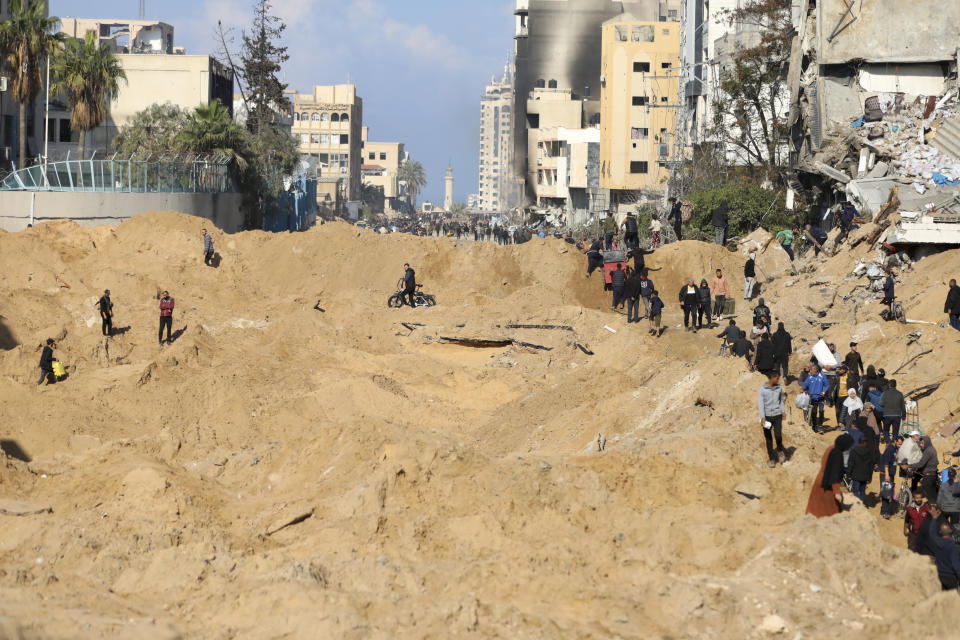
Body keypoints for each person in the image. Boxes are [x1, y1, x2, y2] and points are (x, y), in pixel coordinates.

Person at [806, 434, 854, 517]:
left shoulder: (831, 448)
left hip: (819, 480)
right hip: (827, 486)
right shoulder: (837, 454)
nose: (849, 448)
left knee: (814, 508)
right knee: (829, 512)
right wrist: (837, 492)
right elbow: (834, 474)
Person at [758, 371, 787, 468]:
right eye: (777, 378)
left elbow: (781, 401)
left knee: (778, 435)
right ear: (772, 378)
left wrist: (783, 411)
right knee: (768, 438)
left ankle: (780, 450)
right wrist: (762, 417)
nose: (778, 380)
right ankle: (771, 458)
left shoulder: (779, 388)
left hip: (777, 414)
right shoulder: (762, 390)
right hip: (767, 417)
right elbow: (761, 405)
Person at [910, 435, 940, 505]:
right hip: (932, 473)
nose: (921, 445)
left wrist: (911, 466)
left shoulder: (928, 451)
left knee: (929, 495)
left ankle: (933, 507)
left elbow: (921, 464)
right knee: (933, 494)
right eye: (920, 443)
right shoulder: (931, 448)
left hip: (928, 475)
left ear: (926, 443)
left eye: (922, 443)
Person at [879, 435, 903, 518]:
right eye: (899, 444)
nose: (900, 445)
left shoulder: (895, 449)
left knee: (888, 492)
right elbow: (886, 463)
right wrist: (887, 474)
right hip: (885, 474)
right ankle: (884, 512)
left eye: (901, 444)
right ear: (895, 441)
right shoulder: (889, 449)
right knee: (886, 493)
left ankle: (885, 509)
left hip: (890, 474)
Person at [803, 364, 830, 433]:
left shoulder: (822, 376)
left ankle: (820, 426)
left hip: (821, 398)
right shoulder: (810, 377)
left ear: (816, 370)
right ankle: (815, 426)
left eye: (811, 369)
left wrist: (823, 392)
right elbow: (805, 384)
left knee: (821, 412)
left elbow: (827, 385)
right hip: (813, 398)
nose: (810, 371)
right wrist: (802, 389)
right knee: (814, 413)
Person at [933, 521, 960, 590]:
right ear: (951, 532)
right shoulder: (952, 546)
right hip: (950, 577)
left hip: (939, 575)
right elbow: (955, 564)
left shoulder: (936, 544)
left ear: (940, 532)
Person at [848, 436, 874, 503]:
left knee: (855, 491)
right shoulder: (869, 452)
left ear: (859, 442)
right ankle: (862, 505)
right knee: (862, 491)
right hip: (865, 476)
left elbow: (850, 464)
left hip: (855, 475)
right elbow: (871, 466)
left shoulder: (853, 451)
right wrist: (870, 477)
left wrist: (849, 474)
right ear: (865, 443)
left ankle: (857, 506)